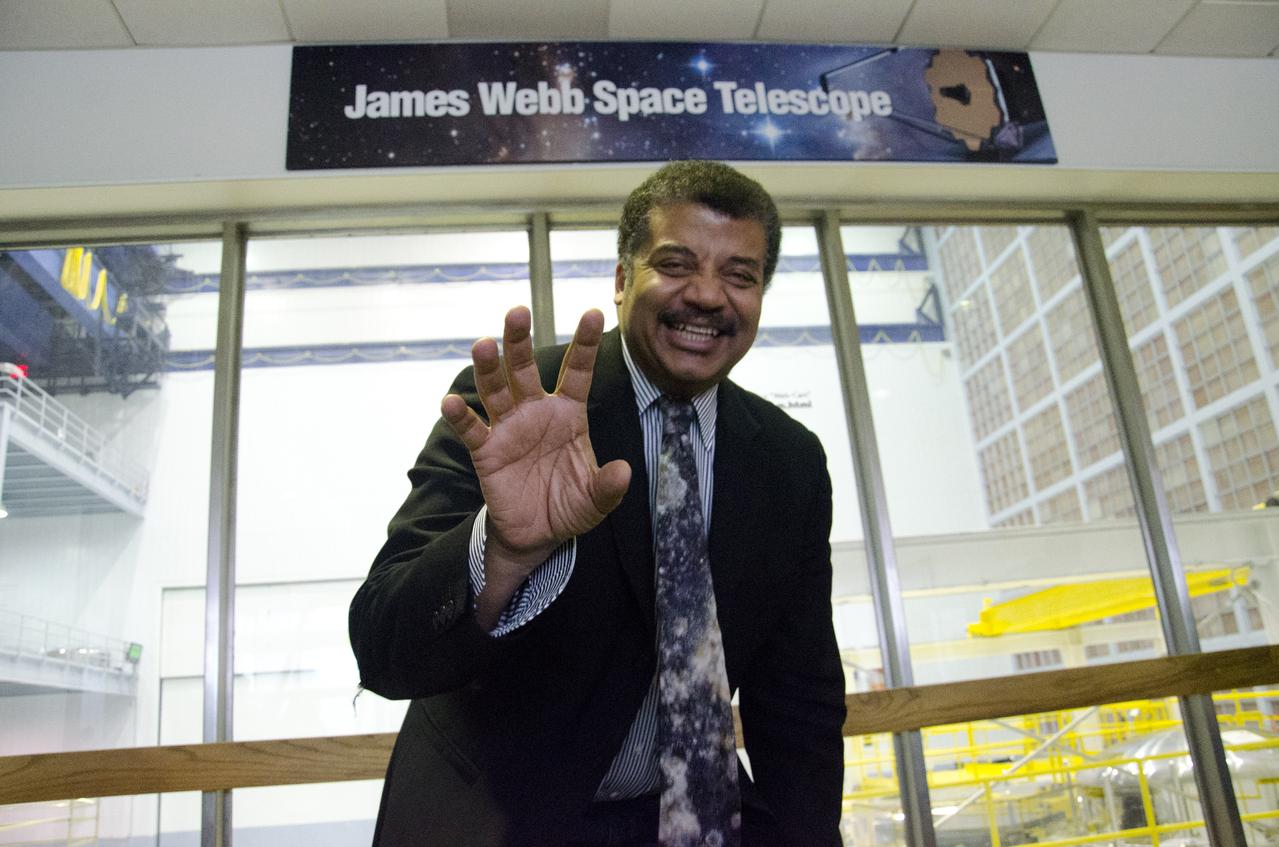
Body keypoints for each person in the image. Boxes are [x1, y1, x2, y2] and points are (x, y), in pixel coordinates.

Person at [349, 160, 846, 846]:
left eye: (740, 275)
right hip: (498, 821)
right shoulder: (517, 408)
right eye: (675, 264)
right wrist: (502, 550)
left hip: (692, 822)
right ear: (620, 280)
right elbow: (384, 649)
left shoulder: (790, 460)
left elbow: (799, 697)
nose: (708, 295)